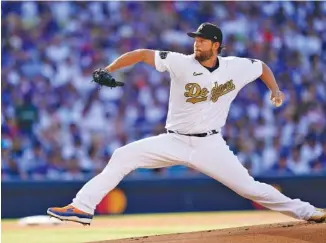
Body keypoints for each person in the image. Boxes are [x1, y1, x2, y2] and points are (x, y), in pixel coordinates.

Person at [47, 23, 325, 225]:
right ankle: (81, 207)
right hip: (174, 140)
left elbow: (261, 67)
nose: (197, 43)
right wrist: (108, 69)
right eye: (196, 39)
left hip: (211, 144)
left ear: (216, 45)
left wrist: (274, 90)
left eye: (203, 40)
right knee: (123, 156)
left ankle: (308, 212)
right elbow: (143, 54)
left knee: (250, 188)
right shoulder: (180, 62)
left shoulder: (236, 66)